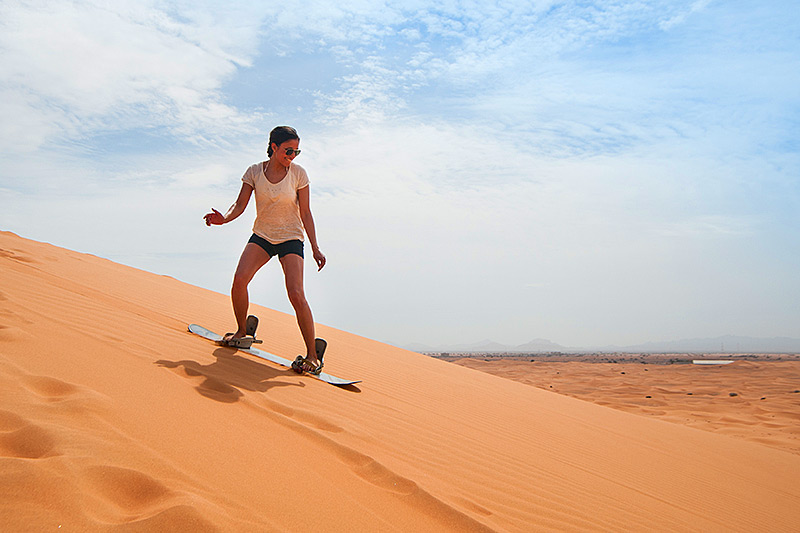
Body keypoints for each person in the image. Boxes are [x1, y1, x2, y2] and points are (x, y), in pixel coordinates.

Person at [203, 126, 327, 374]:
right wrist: (224, 219)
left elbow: (305, 213)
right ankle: (241, 331)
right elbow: (239, 205)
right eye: (288, 150)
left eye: (296, 151)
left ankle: (313, 357)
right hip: (262, 235)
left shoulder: (298, 174)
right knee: (239, 280)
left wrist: (315, 247)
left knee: (295, 293)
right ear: (274, 147)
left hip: (291, 237)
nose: (292, 156)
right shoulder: (254, 172)